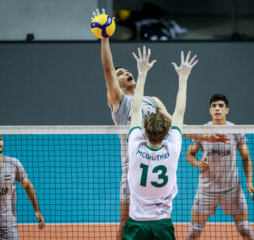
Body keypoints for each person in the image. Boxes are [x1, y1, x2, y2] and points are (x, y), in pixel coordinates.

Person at [92, 8, 228, 239]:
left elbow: (175, 126)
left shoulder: (153, 101)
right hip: (131, 173)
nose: (125, 73)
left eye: (126, 71)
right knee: (125, 227)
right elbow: (107, 67)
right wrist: (105, 38)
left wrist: (206, 137)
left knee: (160, 223)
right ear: (114, 84)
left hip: (158, 165)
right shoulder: (119, 102)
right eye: (120, 73)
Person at [122, 46, 198, 239]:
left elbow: (136, 107)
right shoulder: (173, 147)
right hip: (162, 225)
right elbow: (179, 112)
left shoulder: (134, 145)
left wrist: (142, 72)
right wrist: (183, 77)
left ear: (143, 131)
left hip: (136, 224)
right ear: (166, 133)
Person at [185, 94, 254, 240]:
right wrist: (198, 163)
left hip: (232, 190)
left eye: (221, 106)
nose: (217, 108)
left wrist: (249, 183)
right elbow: (189, 155)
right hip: (206, 190)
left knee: (245, 229)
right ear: (210, 110)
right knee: (193, 232)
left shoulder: (235, 130)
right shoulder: (202, 130)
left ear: (227, 110)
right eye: (214, 106)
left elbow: (246, 157)